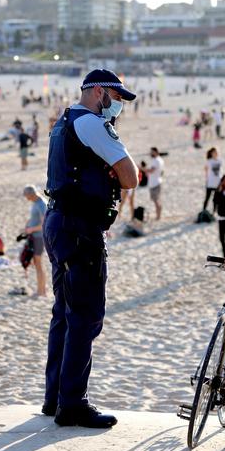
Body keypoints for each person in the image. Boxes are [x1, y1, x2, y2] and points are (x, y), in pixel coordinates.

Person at [43, 69, 138, 428]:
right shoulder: (93, 125)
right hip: (79, 228)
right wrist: (113, 170)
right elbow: (130, 176)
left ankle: (55, 398)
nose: (118, 107)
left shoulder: (64, 121)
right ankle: (73, 404)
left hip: (58, 222)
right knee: (85, 316)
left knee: (64, 314)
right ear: (98, 92)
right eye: (116, 99)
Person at [23, 185, 47, 297]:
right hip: (34, 236)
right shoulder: (36, 203)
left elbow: (44, 224)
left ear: (31, 194)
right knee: (37, 264)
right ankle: (42, 290)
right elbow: (34, 218)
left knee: (39, 264)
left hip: (38, 237)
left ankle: (41, 291)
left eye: (27, 196)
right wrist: (27, 226)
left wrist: (30, 229)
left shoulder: (41, 204)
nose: (26, 199)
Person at [144, 147, 164, 221]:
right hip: (155, 182)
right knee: (156, 200)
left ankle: (158, 216)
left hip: (155, 183)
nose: (151, 153)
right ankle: (158, 215)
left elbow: (151, 170)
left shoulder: (156, 160)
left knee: (156, 201)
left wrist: (142, 168)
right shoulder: (158, 160)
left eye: (152, 152)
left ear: (156, 152)